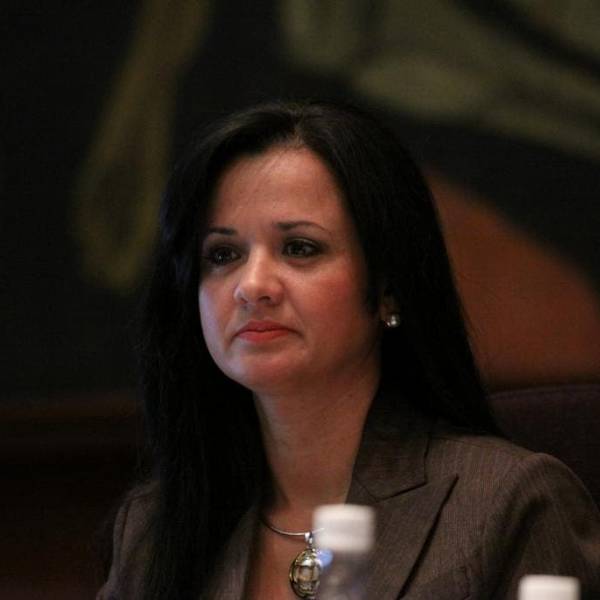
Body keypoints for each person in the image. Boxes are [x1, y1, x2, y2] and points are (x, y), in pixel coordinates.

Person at [97, 100, 600, 600]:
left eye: (299, 248)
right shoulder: (152, 530)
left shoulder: (507, 502)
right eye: (223, 254)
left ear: (388, 288)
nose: (252, 286)